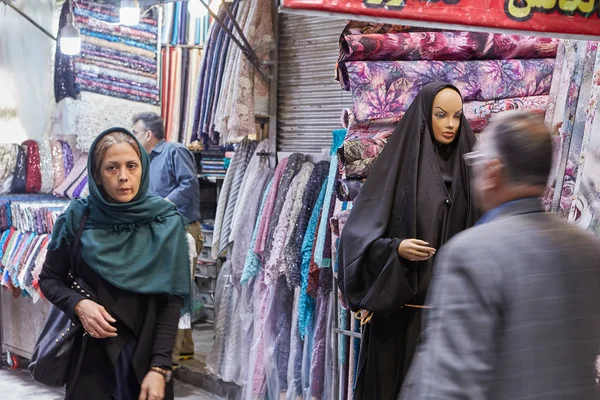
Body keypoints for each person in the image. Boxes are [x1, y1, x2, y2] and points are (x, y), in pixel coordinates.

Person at [400, 111, 600, 399]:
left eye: (476, 162)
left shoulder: (472, 255)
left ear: (492, 172)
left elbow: (446, 386)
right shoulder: (588, 249)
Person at [338, 82, 479, 400]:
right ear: (425, 115)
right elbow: (355, 238)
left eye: (457, 116)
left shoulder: (472, 167)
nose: (450, 125)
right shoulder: (399, 168)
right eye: (441, 115)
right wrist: (394, 248)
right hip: (398, 319)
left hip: (450, 322)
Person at [39, 128, 191, 400]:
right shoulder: (77, 217)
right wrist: (78, 305)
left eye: (132, 166)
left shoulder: (166, 221)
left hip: (145, 359)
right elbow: (49, 279)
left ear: (143, 168)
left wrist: (159, 367)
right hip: (90, 360)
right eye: (112, 168)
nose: (124, 177)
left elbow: (171, 304)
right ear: (96, 174)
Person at [132, 112, 202, 364]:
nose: (134, 137)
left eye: (136, 132)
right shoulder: (144, 161)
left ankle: (168, 356)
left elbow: (189, 184)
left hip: (183, 231)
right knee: (170, 290)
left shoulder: (175, 151)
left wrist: (163, 205)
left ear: (148, 134)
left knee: (177, 291)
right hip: (161, 231)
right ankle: (181, 350)